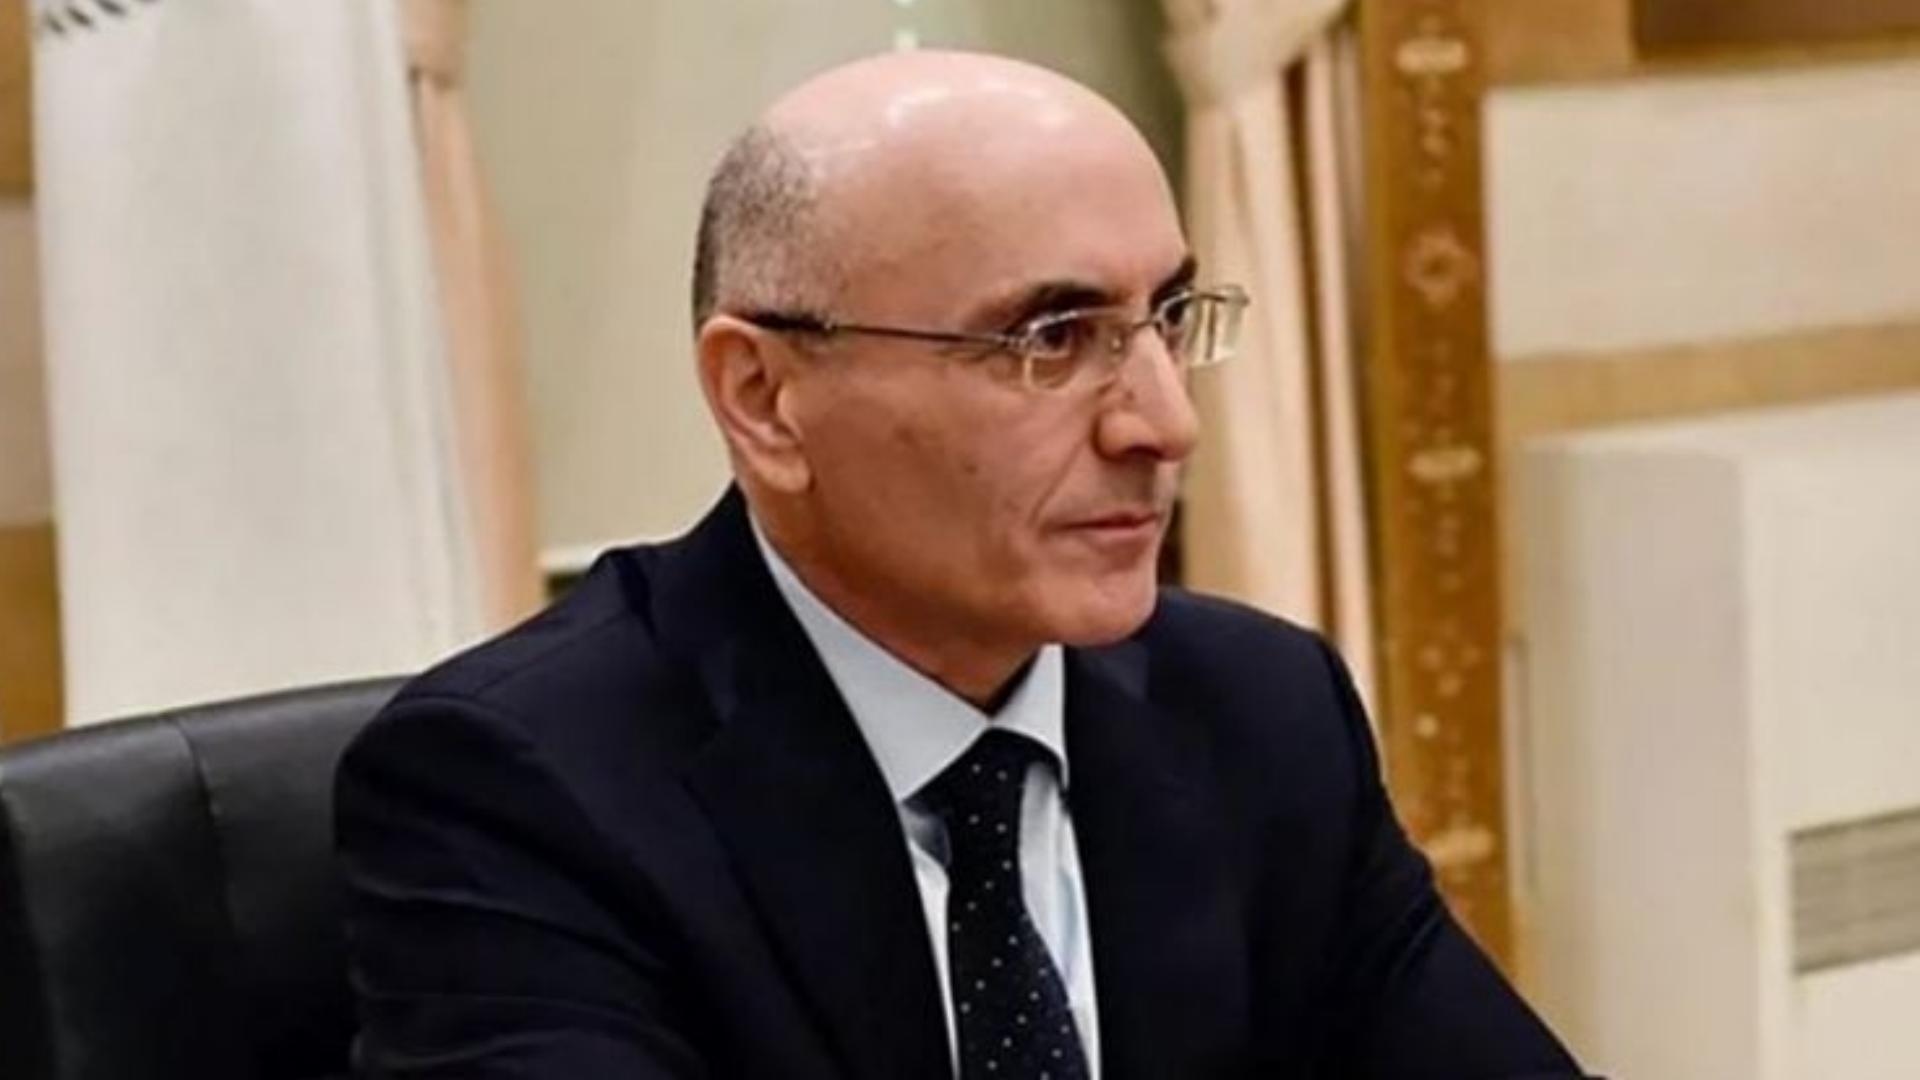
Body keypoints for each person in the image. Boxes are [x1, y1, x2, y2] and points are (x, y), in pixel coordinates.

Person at [335, 49, 1586, 1079]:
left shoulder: (1258, 713)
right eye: (1052, 339)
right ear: (763, 397)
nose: (1163, 424)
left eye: (1169, 319)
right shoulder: (521, 789)